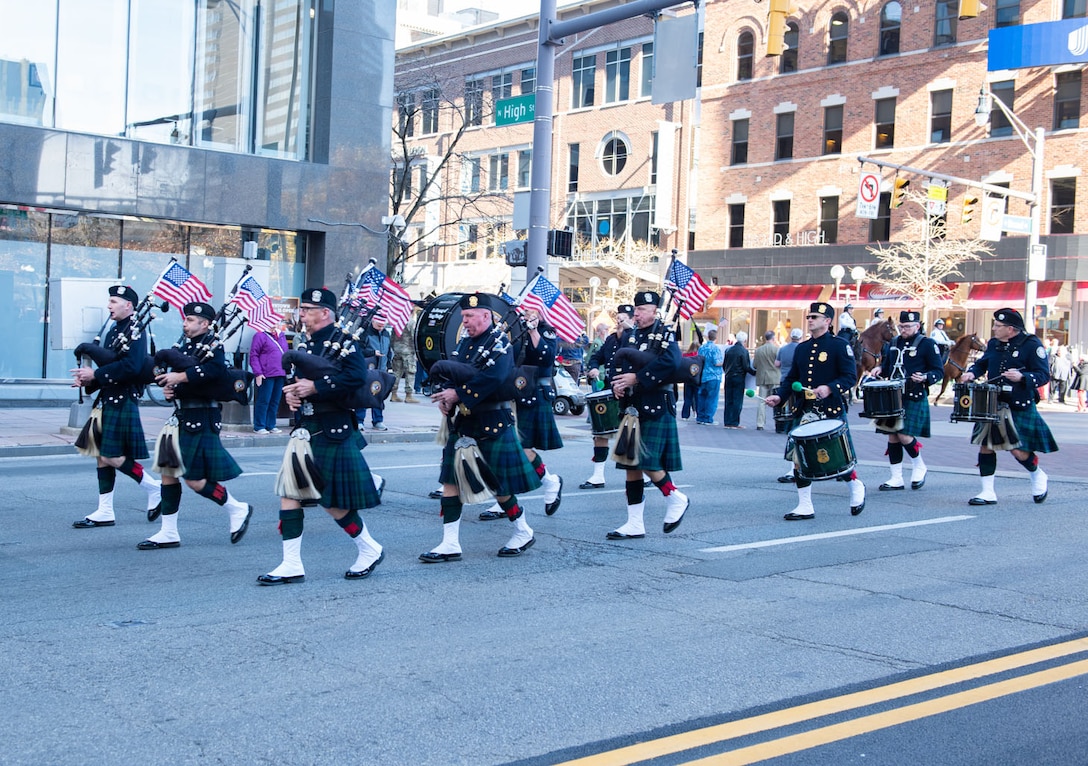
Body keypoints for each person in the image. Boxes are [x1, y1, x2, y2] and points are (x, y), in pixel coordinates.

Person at [259, 288, 385, 584]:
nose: (301, 313)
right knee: (290, 493)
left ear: (325, 312)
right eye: (301, 308)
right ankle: (291, 563)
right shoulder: (308, 342)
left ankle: (369, 548)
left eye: (307, 309)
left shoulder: (346, 342)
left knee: (330, 501)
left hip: (332, 428)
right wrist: (295, 396)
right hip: (307, 430)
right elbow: (303, 381)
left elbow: (356, 377)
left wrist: (315, 389)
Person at [421, 293, 540, 562]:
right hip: (463, 422)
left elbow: (494, 378)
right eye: (463, 317)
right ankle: (450, 543)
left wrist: (458, 395)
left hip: (491, 422)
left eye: (470, 317)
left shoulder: (500, 344)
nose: (465, 322)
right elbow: (454, 372)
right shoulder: (464, 343)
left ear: (486, 316)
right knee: (450, 481)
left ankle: (523, 531)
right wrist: (445, 395)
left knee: (498, 486)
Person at [145, 302, 253, 550]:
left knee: (194, 480)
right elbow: (188, 376)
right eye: (185, 319)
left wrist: (180, 377)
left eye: (191, 320)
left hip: (201, 417)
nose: (185, 323)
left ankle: (237, 508)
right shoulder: (187, 346)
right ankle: (168, 531)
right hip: (181, 416)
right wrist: (171, 388)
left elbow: (214, 373)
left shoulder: (214, 346)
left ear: (205, 324)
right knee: (168, 473)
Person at [70, 285, 162, 528]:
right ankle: (105, 510)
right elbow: (110, 362)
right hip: (108, 397)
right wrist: (87, 378)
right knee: (101, 456)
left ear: (128, 306)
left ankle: (154, 488)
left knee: (111, 456)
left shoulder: (136, 330)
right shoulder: (115, 329)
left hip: (122, 398)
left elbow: (131, 367)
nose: (109, 306)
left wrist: (97, 374)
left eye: (113, 301)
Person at [764, 302, 866, 520]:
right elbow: (792, 379)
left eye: (815, 317)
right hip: (805, 409)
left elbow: (850, 377)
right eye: (809, 316)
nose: (810, 319)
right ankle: (805, 505)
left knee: (837, 457)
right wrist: (780, 396)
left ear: (827, 321)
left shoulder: (839, 346)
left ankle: (855, 485)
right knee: (799, 457)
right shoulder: (802, 348)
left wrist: (829, 388)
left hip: (830, 409)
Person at [606, 290, 689, 540]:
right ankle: (634, 523)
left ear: (655, 311)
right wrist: (617, 383)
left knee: (647, 461)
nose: (637, 313)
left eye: (642, 309)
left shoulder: (664, 332)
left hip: (656, 403)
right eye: (636, 308)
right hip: (633, 404)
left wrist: (638, 378)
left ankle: (676, 498)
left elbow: (672, 363)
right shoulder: (631, 335)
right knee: (631, 464)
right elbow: (619, 362)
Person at [959, 307, 1057, 506]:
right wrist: (972, 373)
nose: (994, 328)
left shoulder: (1031, 344)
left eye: (998, 325)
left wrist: (1023, 377)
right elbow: (982, 364)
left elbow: (1043, 375)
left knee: (1017, 450)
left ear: (1011, 329)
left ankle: (1037, 474)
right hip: (992, 402)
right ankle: (987, 492)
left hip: (1018, 403)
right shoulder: (994, 343)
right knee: (986, 445)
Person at [478, 306, 563, 520]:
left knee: (521, 447)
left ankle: (550, 482)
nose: (527, 316)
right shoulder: (515, 333)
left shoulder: (547, 332)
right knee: (506, 447)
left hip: (535, 394)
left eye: (532, 312)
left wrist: (534, 330)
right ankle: (504, 496)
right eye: (525, 313)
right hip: (513, 393)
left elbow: (546, 357)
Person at [869, 311, 944, 491]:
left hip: (914, 394)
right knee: (892, 436)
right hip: (893, 396)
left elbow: (938, 371)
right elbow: (888, 367)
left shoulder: (927, 344)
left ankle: (919, 465)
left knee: (903, 434)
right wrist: (879, 369)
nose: (903, 329)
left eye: (908, 326)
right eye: (901, 326)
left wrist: (926, 377)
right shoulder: (893, 343)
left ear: (917, 326)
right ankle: (896, 477)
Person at [581, 304, 635, 488]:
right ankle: (598, 476)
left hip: (631, 394)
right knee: (601, 433)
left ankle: (649, 474)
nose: (619, 322)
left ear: (631, 319)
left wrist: (627, 331)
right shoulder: (611, 340)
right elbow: (597, 356)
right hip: (612, 391)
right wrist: (594, 367)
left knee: (634, 436)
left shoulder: (635, 337)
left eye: (623, 319)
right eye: (618, 319)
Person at [249, 320, 288, 434]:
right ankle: (259, 425)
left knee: (275, 401)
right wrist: (258, 372)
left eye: (276, 322)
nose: (274, 324)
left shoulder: (281, 335)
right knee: (263, 400)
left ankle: (271, 424)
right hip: (266, 373)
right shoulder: (260, 335)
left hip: (280, 372)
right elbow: (254, 355)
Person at [357, 313, 391, 430]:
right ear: (373, 322)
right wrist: (372, 353)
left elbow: (388, 350)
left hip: (381, 370)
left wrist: (389, 365)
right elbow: (358, 350)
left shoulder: (386, 333)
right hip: (367, 369)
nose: (381, 328)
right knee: (363, 395)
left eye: (383, 326)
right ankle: (359, 420)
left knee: (379, 396)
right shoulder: (365, 332)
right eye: (378, 325)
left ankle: (378, 420)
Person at [721, 331, 756, 428]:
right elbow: (746, 366)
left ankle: (727, 421)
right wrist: (754, 372)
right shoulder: (744, 351)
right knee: (737, 400)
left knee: (728, 399)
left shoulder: (728, 350)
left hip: (728, 376)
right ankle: (734, 422)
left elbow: (724, 365)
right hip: (739, 377)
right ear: (745, 340)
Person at [773, 327, 804, 438]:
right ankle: (794, 426)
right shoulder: (802, 349)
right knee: (797, 404)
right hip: (798, 382)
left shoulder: (783, 349)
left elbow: (777, 364)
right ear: (800, 337)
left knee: (785, 405)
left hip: (784, 379)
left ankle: (783, 426)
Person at [389, 307, 419, 403]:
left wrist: (393, 347)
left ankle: (393, 394)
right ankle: (408, 395)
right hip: (408, 350)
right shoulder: (411, 323)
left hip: (397, 349)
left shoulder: (397, 323)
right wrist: (416, 352)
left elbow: (392, 337)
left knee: (396, 372)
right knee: (410, 372)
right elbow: (414, 337)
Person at [695, 328, 724, 425]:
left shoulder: (702, 348)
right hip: (713, 376)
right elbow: (717, 362)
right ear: (716, 338)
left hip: (702, 375)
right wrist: (724, 363)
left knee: (701, 397)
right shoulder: (715, 349)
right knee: (712, 397)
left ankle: (700, 417)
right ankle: (708, 418)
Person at [753, 330, 780, 431]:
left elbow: (755, 365)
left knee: (762, 401)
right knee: (776, 401)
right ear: (773, 338)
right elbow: (779, 363)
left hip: (762, 377)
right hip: (775, 377)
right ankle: (777, 422)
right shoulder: (777, 350)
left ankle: (760, 423)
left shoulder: (758, 350)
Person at [680, 341, 701, 420]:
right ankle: (698, 414)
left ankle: (685, 415)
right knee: (697, 398)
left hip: (687, 378)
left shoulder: (685, 355)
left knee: (687, 398)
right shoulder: (699, 356)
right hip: (697, 378)